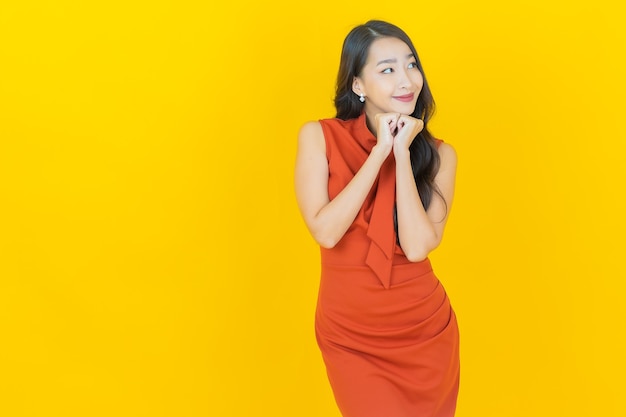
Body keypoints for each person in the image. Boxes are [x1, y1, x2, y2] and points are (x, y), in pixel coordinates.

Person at [294, 20, 459, 417]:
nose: (406, 80)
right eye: (386, 70)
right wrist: (379, 152)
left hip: (424, 332)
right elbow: (326, 231)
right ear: (358, 86)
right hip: (350, 336)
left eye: (411, 64)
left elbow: (418, 247)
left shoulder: (440, 155)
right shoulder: (319, 137)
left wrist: (402, 152)